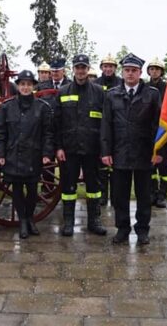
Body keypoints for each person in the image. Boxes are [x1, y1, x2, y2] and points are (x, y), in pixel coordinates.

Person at [100, 53, 164, 245]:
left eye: (134, 71)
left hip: (144, 153)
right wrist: (105, 152)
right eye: (127, 70)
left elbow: (159, 125)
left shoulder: (152, 94)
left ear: (140, 72)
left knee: (144, 195)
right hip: (120, 152)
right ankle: (122, 229)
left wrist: (158, 152)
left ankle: (142, 230)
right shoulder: (112, 94)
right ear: (123, 71)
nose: (130, 74)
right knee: (120, 195)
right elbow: (106, 125)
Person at [0, 70, 54, 239]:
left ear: (33, 86)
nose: (25, 87)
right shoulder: (6, 107)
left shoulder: (42, 107)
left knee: (33, 190)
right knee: (18, 190)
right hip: (13, 155)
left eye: (28, 84)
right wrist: (0, 154)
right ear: (18, 86)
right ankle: (22, 221)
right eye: (22, 84)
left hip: (33, 155)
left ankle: (30, 219)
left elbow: (48, 133)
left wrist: (47, 153)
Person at [55, 54, 107, 237]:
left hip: (92, 149)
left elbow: (105, 123)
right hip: (69, 148)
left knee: (94, 186)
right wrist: (59, 147)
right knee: (68, 187)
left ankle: (94, 220)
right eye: (77, 67)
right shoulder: (63, 92)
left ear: (88, 69)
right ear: (73, 69)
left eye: (83, 67)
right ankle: (68, 221)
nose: (80, 71)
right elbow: (57, 122)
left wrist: (104, 149)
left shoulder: (100, 92)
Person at [93, 53, 122, 206]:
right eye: (105, 66)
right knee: (102, 166)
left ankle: (116, 196)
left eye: (111, 66)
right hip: (100, 127)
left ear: (115, 68)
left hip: (117, 128)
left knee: (116, 167)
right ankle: (103, 195)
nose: (108, 69)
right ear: (102, 68)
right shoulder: (96, 84)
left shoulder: (121, 83)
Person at [146, 58, 167, 208]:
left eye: (157, 69)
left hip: (164, 130)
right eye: (152, 69)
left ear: (162, 72)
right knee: (150, 164)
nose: (154, 71)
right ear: (148, 71)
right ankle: (152, 192)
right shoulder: (145, 87)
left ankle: (163, 194)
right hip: (149, 131)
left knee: (164, 165)